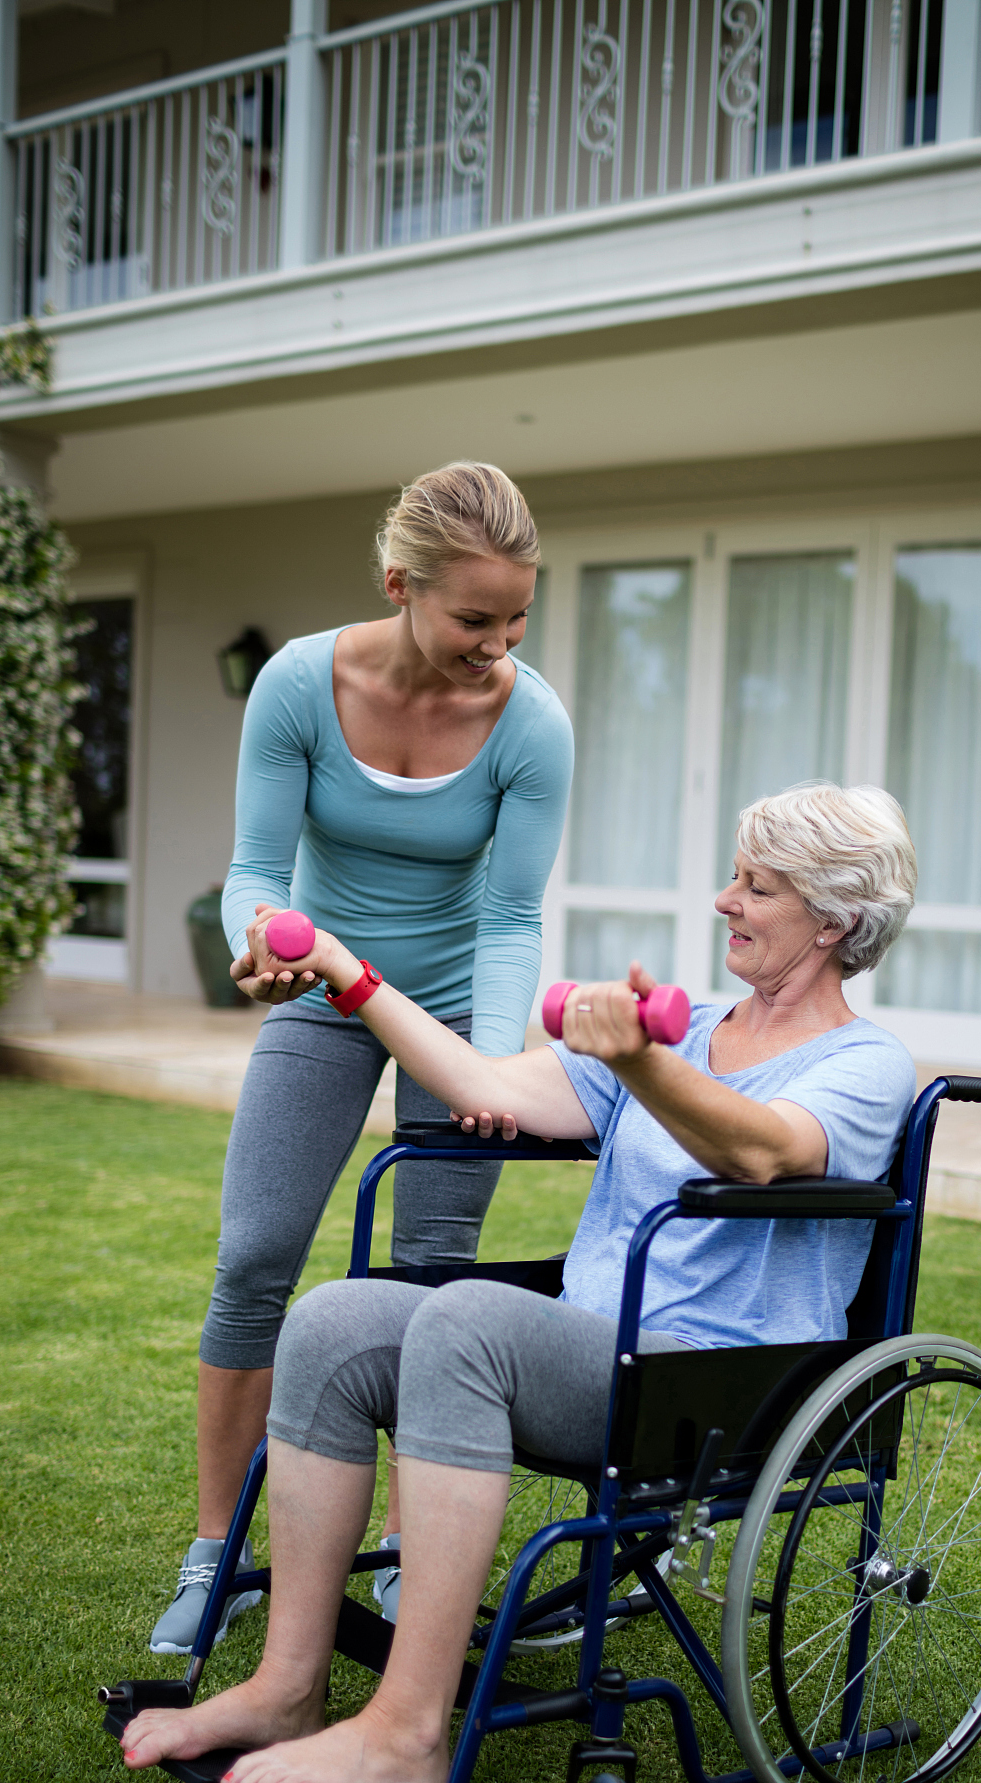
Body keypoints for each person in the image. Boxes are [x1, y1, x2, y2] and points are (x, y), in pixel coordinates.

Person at [123, 783, 917, 1783]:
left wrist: (636, 1058)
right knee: (332, 1317)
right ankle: (287, 1686)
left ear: (835, 921)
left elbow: (764, 1150)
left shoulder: (866, 1063)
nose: (726, 900)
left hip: (717, 1378)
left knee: (468, 1319)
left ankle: (406, 1737)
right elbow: (487, 1087)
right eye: (735, 875)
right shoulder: (690, 1029)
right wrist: (347, 972)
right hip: (595, 1345)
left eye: (757, 886)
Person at [149, 463, 573, 1656]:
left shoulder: (531, 722)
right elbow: (256, 871)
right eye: (474, 619)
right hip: (326, 986)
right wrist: (260, 944)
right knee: (254, 1256)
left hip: (450, 1010)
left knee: (427, 1279)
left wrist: (490, 1065)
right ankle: (214, 1553)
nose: (500, 644)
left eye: (518, 619)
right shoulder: (297, 683)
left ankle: (400, 1562)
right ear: (401, 586)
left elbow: (508, 918)